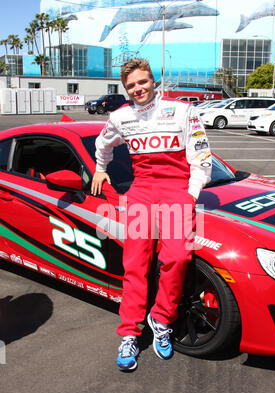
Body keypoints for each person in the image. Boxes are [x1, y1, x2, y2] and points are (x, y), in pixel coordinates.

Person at [91, 58, 212, 371]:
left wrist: (191, 194)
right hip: (141, 193)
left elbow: (201, 157)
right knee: (135, 265)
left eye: (142, 82)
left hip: (176, 192)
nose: (137, 89)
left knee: (177, 259)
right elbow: (101, 144)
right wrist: (100, 169)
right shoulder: (120, 117)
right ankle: (129, 332)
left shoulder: (184, 111)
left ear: (153, 80)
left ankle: (160, 320)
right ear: (125, 89)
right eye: (131, 85)